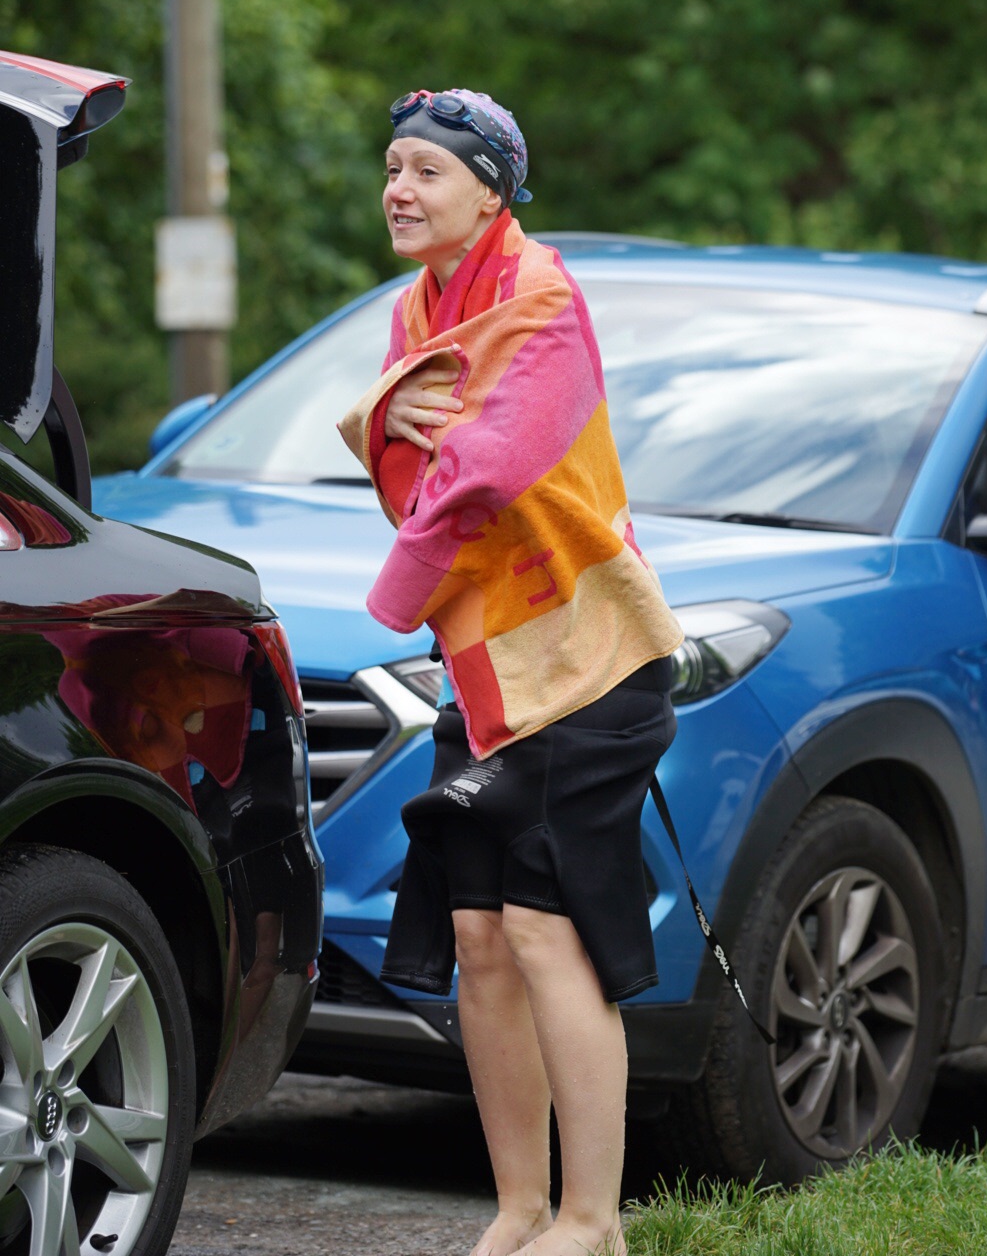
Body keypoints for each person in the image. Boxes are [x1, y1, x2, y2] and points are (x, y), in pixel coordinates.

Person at [338, 88, 683, 1256]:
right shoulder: (417, 307)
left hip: (589, 660)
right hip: (486, 669)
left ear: (491, 189)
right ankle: (522, 1208)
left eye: (426, 169)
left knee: (545, 929)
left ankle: (593, 1219)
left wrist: (393, 575)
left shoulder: (540, 296)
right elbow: (391, 455)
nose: (398, 188)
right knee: (478, 936)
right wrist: (381, 413)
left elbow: (485, 466)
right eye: (393, 166)